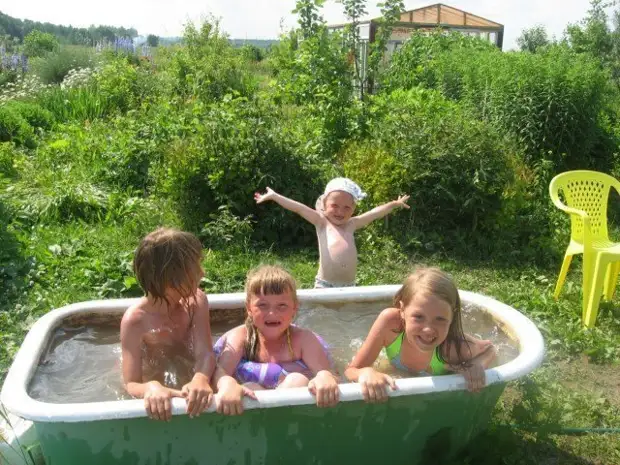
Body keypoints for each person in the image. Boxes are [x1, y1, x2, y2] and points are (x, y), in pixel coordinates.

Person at [344, 267, 497, 403]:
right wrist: (366, 373)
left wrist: (477, 364)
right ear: (402, 310)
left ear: (452, 317)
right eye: (418, 317)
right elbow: (351, 370)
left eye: (440, 319)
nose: (428, 330)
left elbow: (490, 349)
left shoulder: (454, 348)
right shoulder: (390, 324)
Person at [213, 265, 340, 415]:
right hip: (252, 402)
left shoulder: (304, 340)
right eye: (262, 305)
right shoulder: (241, 337)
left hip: (293, 405)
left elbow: (328, 374)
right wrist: (227, 383)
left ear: (294, 308)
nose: (272, 313)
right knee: (250, 386)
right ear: (248, 308)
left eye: (282, 306)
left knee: (297, 380)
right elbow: (219, 373)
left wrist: (324, 377)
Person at [120, 228, 216, 421]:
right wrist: (152, 387)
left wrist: (200, 378)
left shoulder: (195, 302)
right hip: (155, 371)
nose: (203, 272)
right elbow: (131, 383)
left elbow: (205, 352)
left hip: (184, 364)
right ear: (172, 279)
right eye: (196, 267)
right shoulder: (136, 321)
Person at [254, 177, 410, 288]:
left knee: (345, 322)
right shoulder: (321, 222)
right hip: (324, 285)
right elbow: (299, 208)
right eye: (334, 205)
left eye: (346, 208)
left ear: (353, 209)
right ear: (324, 204)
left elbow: (374, 213)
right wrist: (274, 196)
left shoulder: (352, 224)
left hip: (350, 286)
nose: (340, 212)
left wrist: (394, 204)